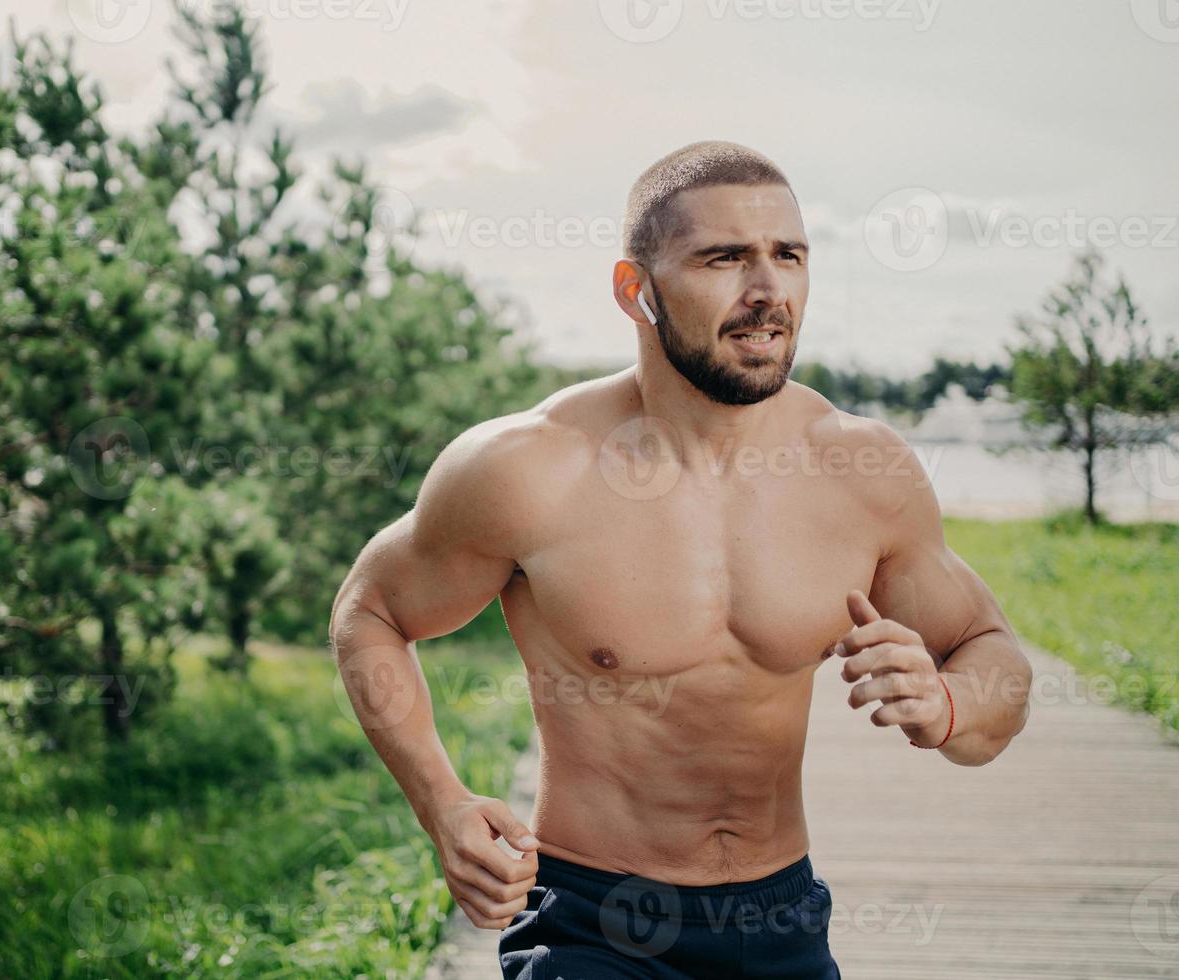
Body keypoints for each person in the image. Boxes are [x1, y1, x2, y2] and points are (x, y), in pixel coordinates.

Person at [328, 140, 1033, 978]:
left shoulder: (861, 472)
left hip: (783, 919)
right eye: (725, 258)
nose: (767, 290)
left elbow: (995, 659)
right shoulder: (530, 469)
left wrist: (946, 704)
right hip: (592, 922)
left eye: (789, 257)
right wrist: (441, 803)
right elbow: (370, 609)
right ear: (637, 291)